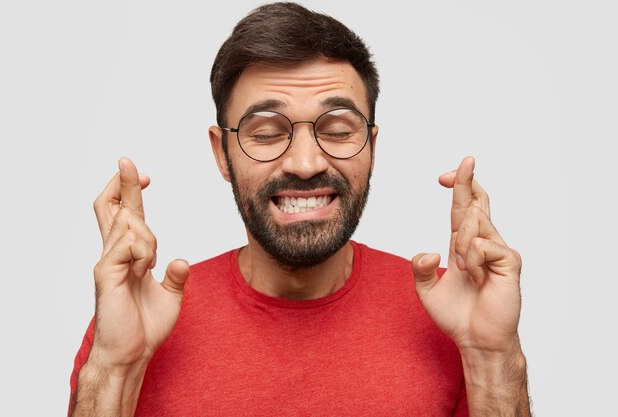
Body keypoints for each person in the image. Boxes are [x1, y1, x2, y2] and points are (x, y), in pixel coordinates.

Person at [68, 2, 531, 416]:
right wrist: (114, 368)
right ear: (221, 153)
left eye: (338, 128)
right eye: (266, 132)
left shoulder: (454, 315)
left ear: (371, 147)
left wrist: (492, 357)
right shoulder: (134, 326)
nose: (306, 163)